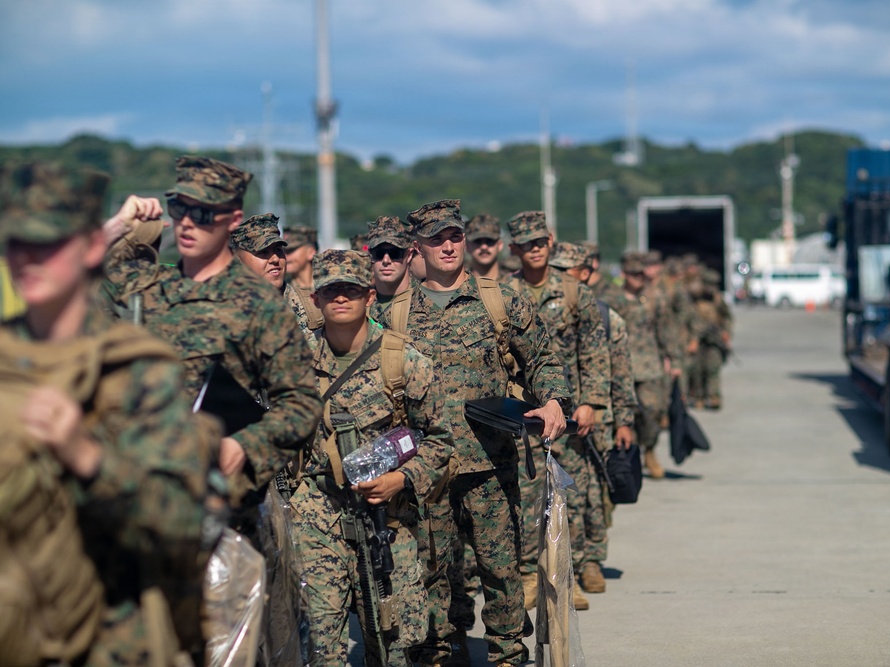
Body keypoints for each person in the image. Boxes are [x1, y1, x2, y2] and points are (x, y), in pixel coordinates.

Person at [0, 161, 212, 664]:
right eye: (17, 243)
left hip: (108, 639)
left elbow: (183, 523)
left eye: (50, 243)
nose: (31, 258)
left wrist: (87, 458)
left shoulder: (137, 370)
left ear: (92, 247)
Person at [376, 199, 569, 667]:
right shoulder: (393, 315)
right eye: (436, 238)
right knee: (432, 572)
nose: (448, 245)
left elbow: (543, 356)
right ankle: (440, 652)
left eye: (455, 236)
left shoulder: (498, 299)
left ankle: (506, 656)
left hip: (490, 462)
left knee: (500, 572)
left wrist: (554, 401)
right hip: (425, 470)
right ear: (415, 247)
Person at [101, 155, 322, 528]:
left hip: (226, 512)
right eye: (179, 209)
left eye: (203, 214)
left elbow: (301, 405)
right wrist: (117, 227)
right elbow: (62, 274)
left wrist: (245, 446)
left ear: (233, 220)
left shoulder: (261, 307)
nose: (186, 223)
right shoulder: (152, 289)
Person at [289, 249, 453, 666]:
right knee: (319, 642)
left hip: (385, 517)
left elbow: (439, 441)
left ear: (367, 296)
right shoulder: (293, 362)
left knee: (392, 641)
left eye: (349, 290)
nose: (340, 299)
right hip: (316, 514)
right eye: (330, 291)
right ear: (316, 299)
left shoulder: (403, 360)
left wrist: (401, 479)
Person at [505, 217, 610, 613]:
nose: (533, 248)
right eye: (524, 243)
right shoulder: (505, 292)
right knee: (528, 497)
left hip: (571, 413)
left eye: (539, 241)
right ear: (513, 248)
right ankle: (530, 575)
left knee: (573, 496)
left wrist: (592, 403)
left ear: (550, 242)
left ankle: (573, 574)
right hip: (524, 414)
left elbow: (594, 351)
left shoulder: (573, 292)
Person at [550, 242, 637, 595]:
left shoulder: (605, 316)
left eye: (565, 272)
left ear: (585, 274)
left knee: (594, 495)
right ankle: (568, 562)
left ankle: (591, 561)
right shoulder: (549, 311)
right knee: (567, 495)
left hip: (598, 418)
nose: (557, 279)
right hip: (560, 418)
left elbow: (620, 371)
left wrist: (624, 420)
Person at [603, 251, 675, 479]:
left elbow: (666, 330)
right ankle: (630, 457)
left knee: (653, 410)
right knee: (625, 415)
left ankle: (650, 449)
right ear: (624, 274)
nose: (638, 278)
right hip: (620, 365)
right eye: (633, 274)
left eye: (641, 274)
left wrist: (673, 359)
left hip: (650, 364)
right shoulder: (611, 299)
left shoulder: (656, 298)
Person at [231, 213, 323, 351]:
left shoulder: (315, 306)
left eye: (278, 250)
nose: (275, 259)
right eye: (263, 252)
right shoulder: (222, 311)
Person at [687, 269, 731, 410]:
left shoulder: (718, 300)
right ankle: (699, 397)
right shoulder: (693, 299)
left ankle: (714, 397)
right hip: (697, 339)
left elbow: (727, 317)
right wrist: (691, 339)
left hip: (715, 340)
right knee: (697, 370)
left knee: (713, 367)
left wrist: (726, 333)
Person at [466, 213, 504, 280]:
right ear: (467, 246)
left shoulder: (516, 286)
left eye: (489, 241)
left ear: (500, 245)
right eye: (477, 241)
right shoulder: (457, 285)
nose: (484, 247)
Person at [284, 225, 319, 290]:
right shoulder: (281, 290)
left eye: (291, 250)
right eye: (282, 250)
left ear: (310, 252)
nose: (285, 256)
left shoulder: (328, 286)